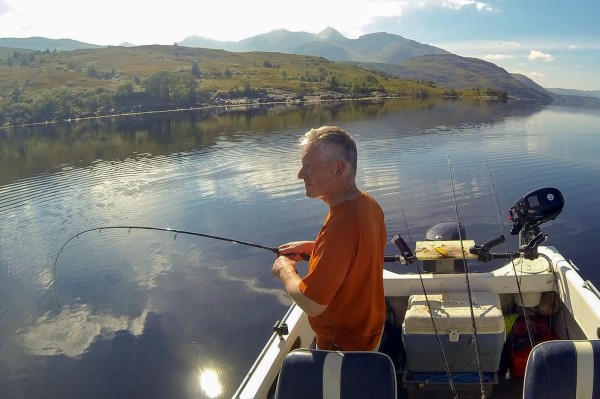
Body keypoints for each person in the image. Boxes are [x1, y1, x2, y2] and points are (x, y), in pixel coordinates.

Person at [271, 125, 387, 351]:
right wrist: (315, 249)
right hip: (369, 334)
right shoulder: (369, 205)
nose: (300, 174)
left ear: (338, 168)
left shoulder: (340, 226)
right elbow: (357, 253)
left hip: (343, 350)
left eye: (309, 166)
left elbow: (313, 304)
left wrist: (285, 271)